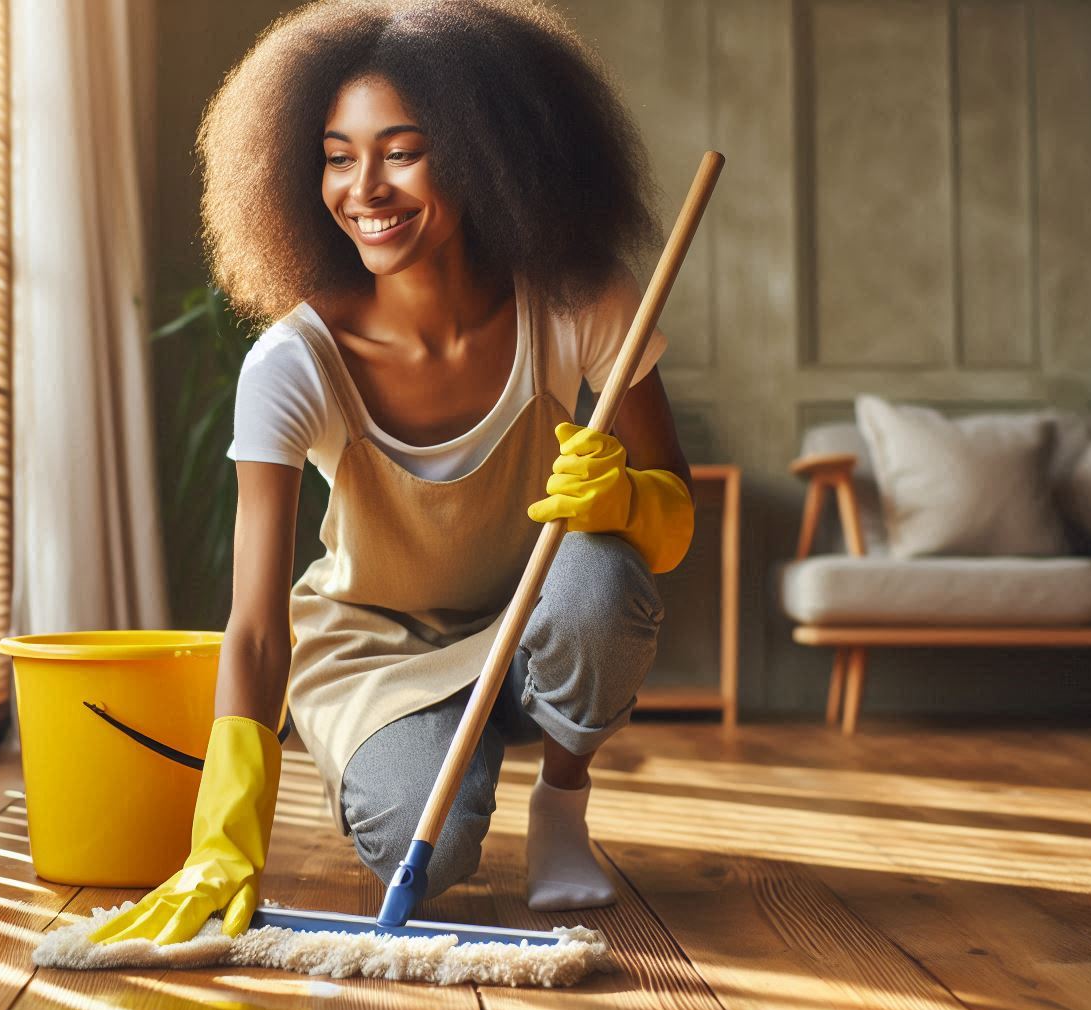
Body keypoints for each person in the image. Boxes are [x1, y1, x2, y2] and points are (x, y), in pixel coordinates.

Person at [92, 0, 695, 946]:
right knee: (431, 848)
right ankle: (448, 755)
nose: (362, 188)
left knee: (604, 571)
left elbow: (676, 520)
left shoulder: (580, 301)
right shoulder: (294, 362)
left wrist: (624, 498)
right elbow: (254, 625)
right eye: (338, 155)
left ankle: (562, 805)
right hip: (378, 652)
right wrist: (223, 840)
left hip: (534, 614)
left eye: (402, 151)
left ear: (486, 153)